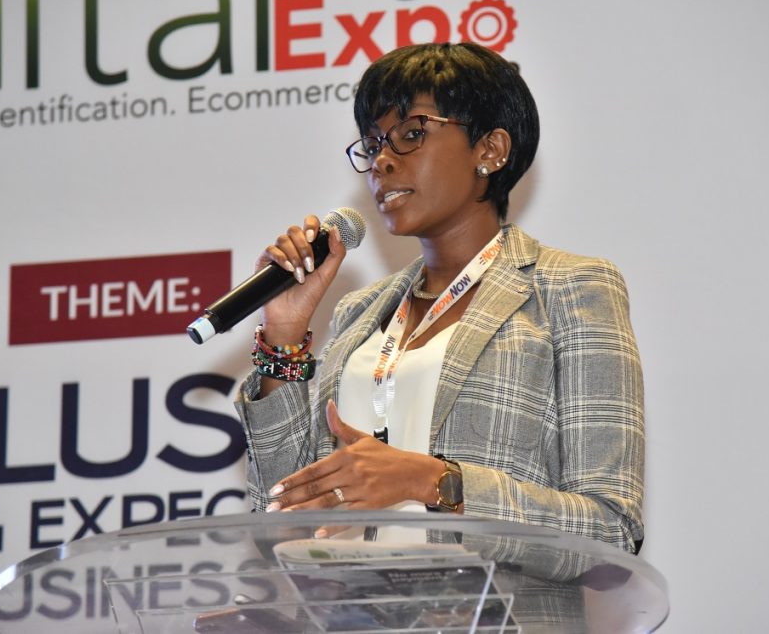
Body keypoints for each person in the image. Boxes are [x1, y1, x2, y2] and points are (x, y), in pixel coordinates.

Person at [234, 42, 645, 553]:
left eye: (411, 134)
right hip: (348, 598)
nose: (382, 162)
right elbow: (282, 514)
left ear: (490, 150)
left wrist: (432, 482)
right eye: (373, 144)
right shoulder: (359, 312)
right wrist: (283, 334)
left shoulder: (571, 289)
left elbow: (610, 528)